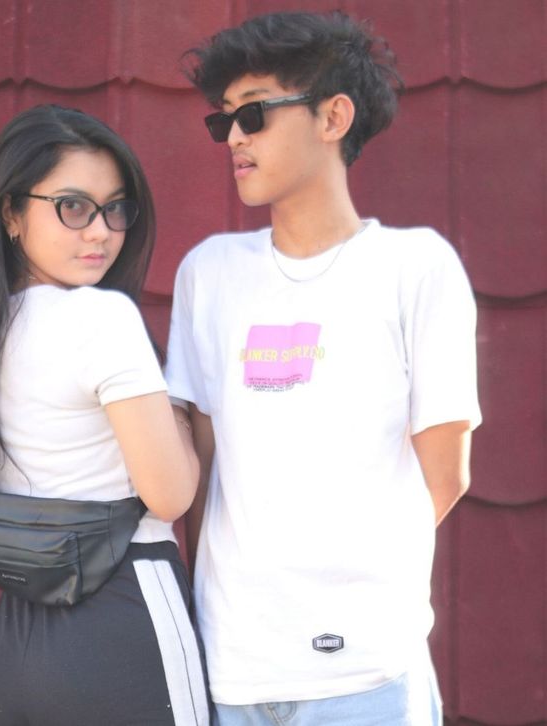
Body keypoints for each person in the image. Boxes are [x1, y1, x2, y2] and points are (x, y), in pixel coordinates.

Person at [166, 11, 481, 726]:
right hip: (232, 671)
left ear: (334, 117)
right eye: (224, 121)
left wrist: (339, 584)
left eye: (254, 113)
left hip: (368, 673)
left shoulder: (415, 267)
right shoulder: (209, 273)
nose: (235, 136)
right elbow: (202, 471)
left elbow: (445, 474)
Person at [0, 104, 209, 726]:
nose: (101, 232)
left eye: (116, 209)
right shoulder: (102, 318)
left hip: (13, 647)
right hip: (123, 619)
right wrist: (178, 411)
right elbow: (170, 495)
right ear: (11, 212)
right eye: (73, 206)